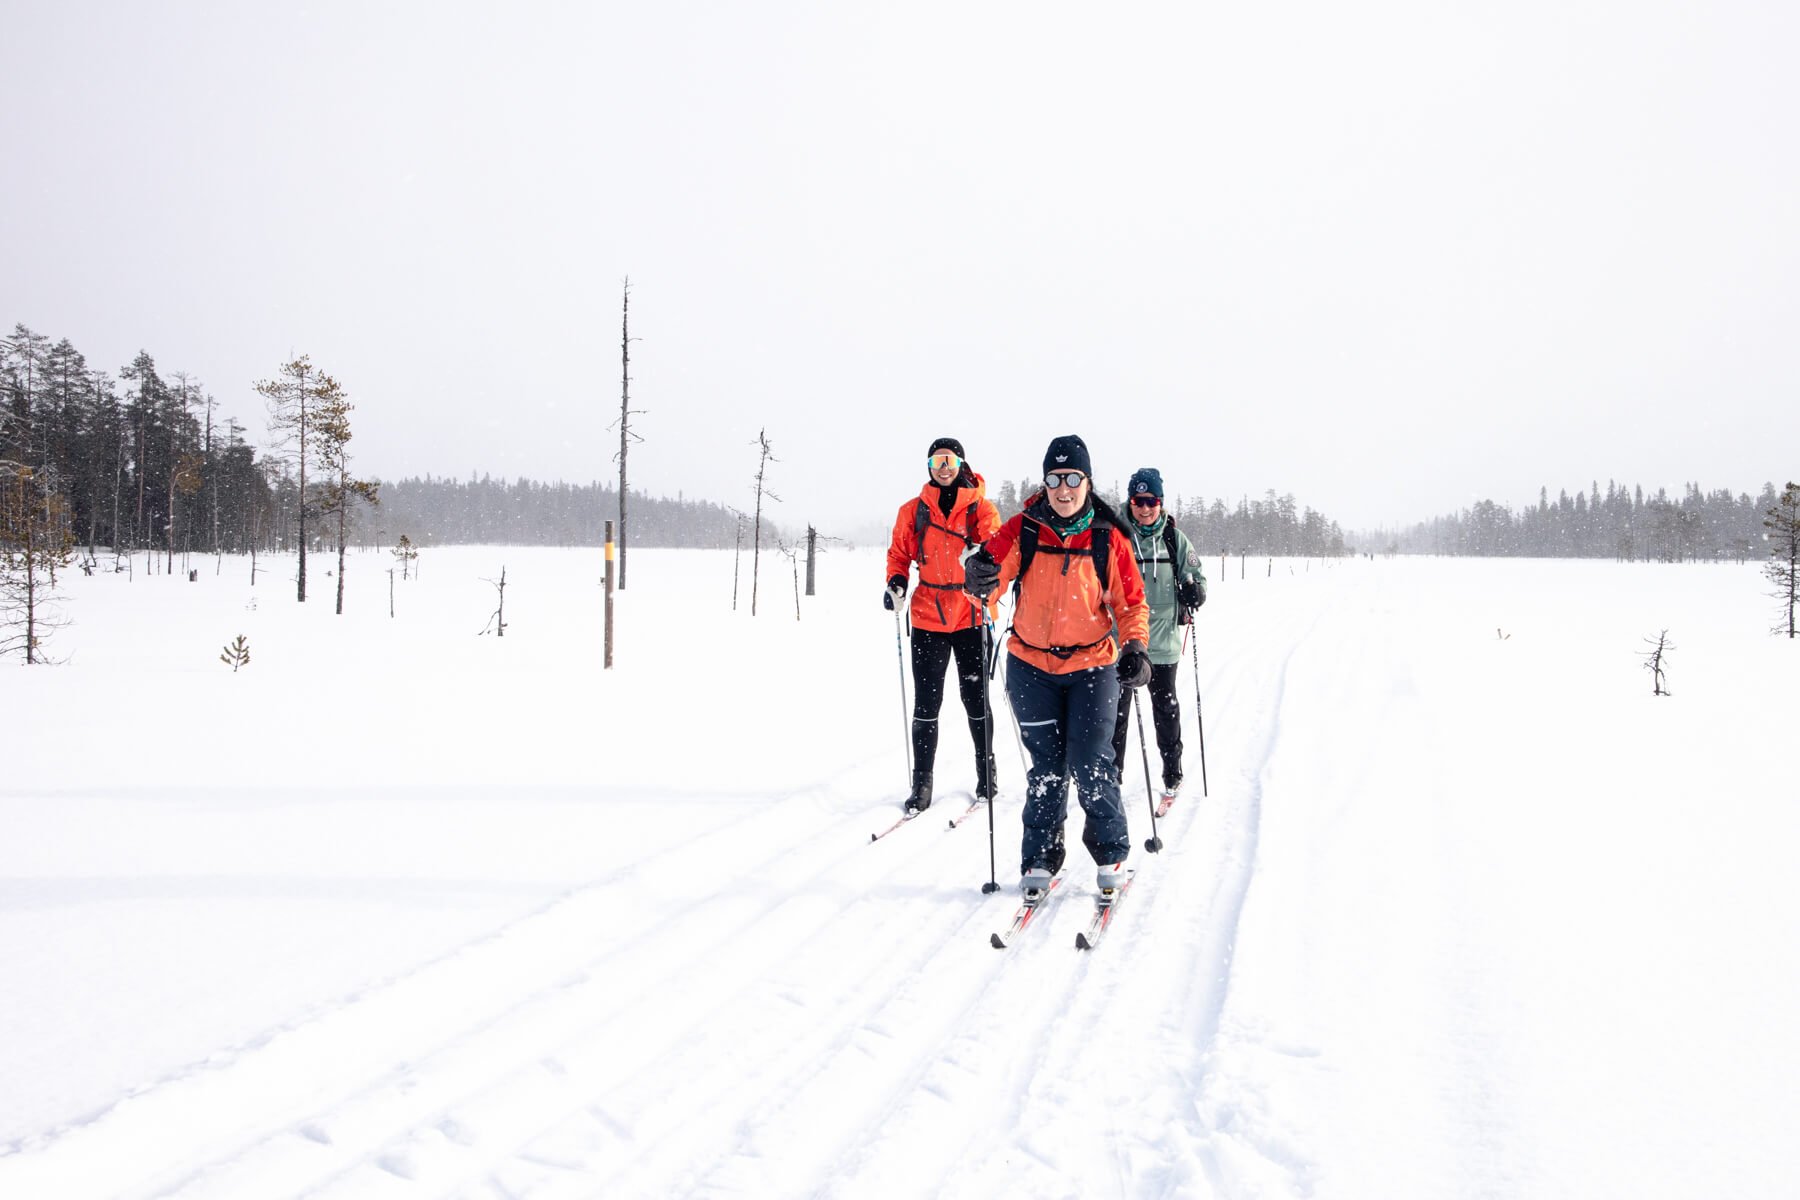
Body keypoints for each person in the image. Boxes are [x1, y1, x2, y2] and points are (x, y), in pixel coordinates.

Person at [962, 435, 1150, 898]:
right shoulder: (1023, 529)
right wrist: (979, 580)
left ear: (1087, 481)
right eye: (1054, 479)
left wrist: (1135, 647)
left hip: (1093, 667)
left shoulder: (1108, 537)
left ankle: (1111, 852)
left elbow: (1131, 603)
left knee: (1091, 762)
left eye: (1072, 479)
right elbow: (990, 576)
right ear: (1044, 482)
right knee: (1046, 768)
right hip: (1031, 668)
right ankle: (1041, 857)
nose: (1063, 489)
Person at [884, 437, 1003, 812]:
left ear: (961, 464)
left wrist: (981, 561)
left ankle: (986, 772)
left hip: (971, 614)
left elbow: (997, 550)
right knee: (926, 702)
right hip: (928, 616)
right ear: (929, 467)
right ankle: (922, 783)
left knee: (976, 699)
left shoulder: (981, 509)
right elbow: (899, 554)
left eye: (949, 460)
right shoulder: (913, 511)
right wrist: (896, 582)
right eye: (937, 461)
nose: (944, 467)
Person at [1111, 467, 1206, 801]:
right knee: (1116, 714)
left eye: (1151, 501)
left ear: (1160, 502)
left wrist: (1196, 592)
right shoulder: (1116, 536)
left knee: (1166, 709)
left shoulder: (1173, 539)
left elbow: (1196, 575)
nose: (1144, 508)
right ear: (1130, 502)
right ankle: (1112, 776)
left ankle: (1172, 772)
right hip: (1122, 641)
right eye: (1138, 501)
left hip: (1163, 641)